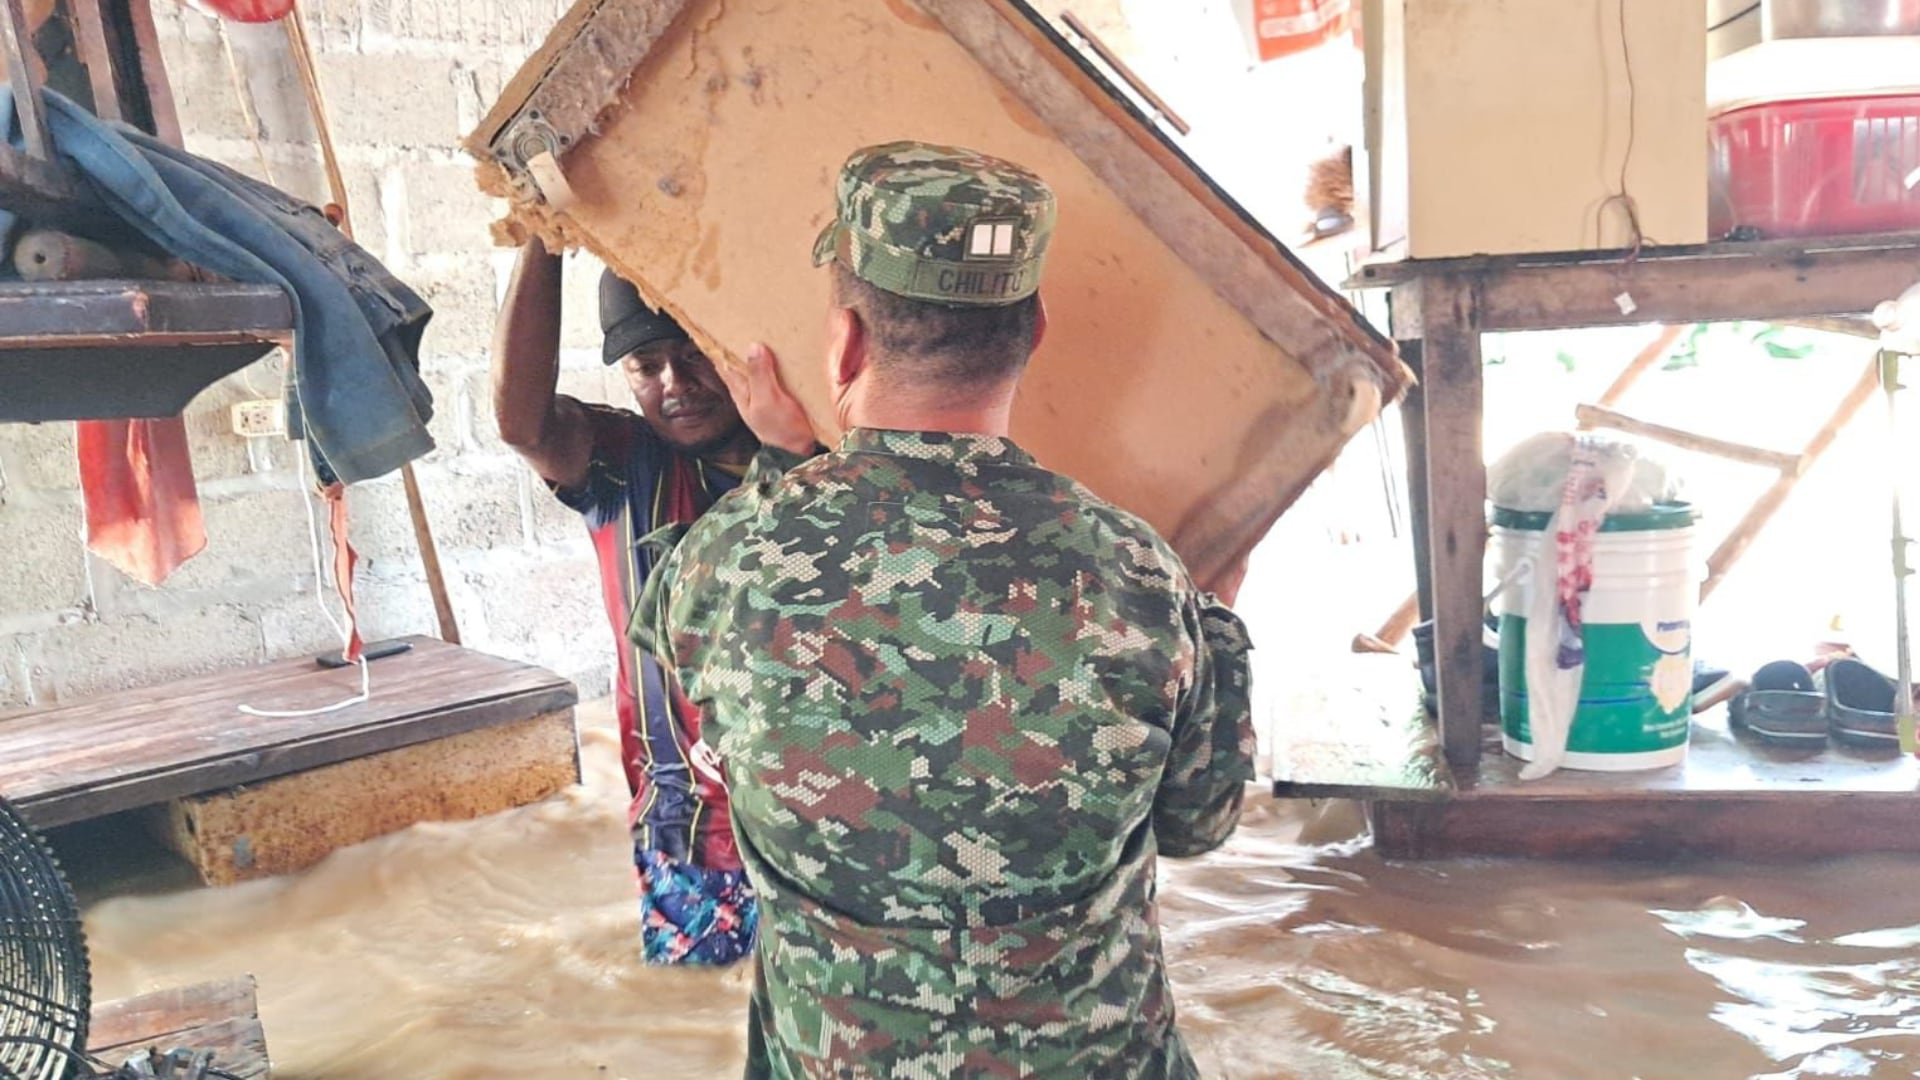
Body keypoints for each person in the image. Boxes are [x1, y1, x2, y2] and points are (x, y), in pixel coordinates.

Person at [633, 142, 1255, 1077]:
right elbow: (1201, 825)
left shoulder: (723, 560)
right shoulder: (1141, 573)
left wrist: (785, 465)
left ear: (845, 341)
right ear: (1034, 332)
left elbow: (715, 713)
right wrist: (1218, 630)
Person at [491, 239, 810, 966]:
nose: (676, 384)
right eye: (645, 365)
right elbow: (522, 425)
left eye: (695, 355)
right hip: (693, 830)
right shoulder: (623, 465)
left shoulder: (821, 462)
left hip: (823, 824)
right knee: (697, 1006)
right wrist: (541, 238)